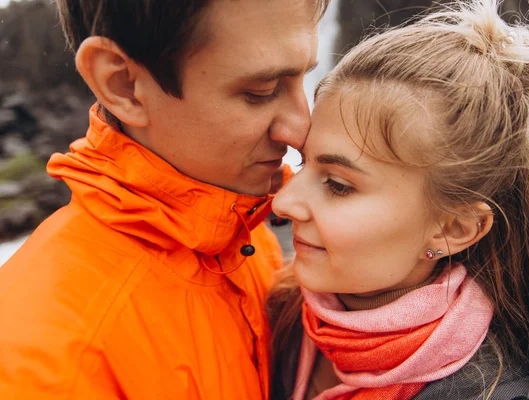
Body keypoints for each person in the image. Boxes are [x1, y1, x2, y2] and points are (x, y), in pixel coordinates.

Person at [267, 0, 529, 399]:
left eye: (338, 184)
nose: (282, 203)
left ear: (453, 230)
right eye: (303, 163)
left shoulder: (507, 389)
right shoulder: (274, 311)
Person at [0, 0, 329, 398]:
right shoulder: (52, 361)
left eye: (303, 81)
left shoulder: (243, 231)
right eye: (260, 91)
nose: (301, 128)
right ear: (123, 84)